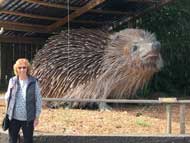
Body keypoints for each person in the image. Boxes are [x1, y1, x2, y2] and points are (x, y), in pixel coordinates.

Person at [5, 58, 42, 143]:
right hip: (13, 118)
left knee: (28, 141)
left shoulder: (33, 81)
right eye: (20, 67)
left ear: (27, 69)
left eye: (24, 67)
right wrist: (7, 114)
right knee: (12, 140)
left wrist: (37, 117)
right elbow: (8, 97)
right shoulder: (12, 81)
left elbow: (38, 100)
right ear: (16, 69)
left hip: (28, 119)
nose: (22, 69)